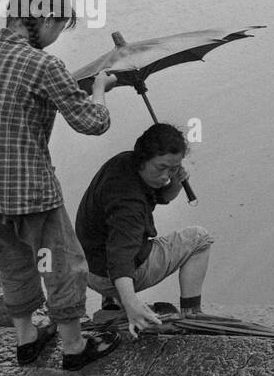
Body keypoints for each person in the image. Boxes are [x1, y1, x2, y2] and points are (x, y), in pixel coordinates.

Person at [0, 0, 120, 369]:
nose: (58, 35)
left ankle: (27, 339)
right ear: (44, 19)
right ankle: (74, 348)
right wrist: (100, 90)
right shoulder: (43, 64)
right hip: (27, 189)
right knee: (62, 263)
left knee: (11, 263)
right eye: (60, 26)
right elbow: (93, 123)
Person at [76, 123, 212, 331]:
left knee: (111, 232)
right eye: (161, 167)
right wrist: (133, 305)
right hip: (109, 275)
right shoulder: (129, 206)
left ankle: (112, 303)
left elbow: (157, 196)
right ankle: (192, 314)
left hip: (88, 264)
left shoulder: (123, 163)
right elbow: (120, 257)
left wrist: (175, 183)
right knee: (199, 238)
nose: (166, 175)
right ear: (143, 160)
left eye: (174, 168)